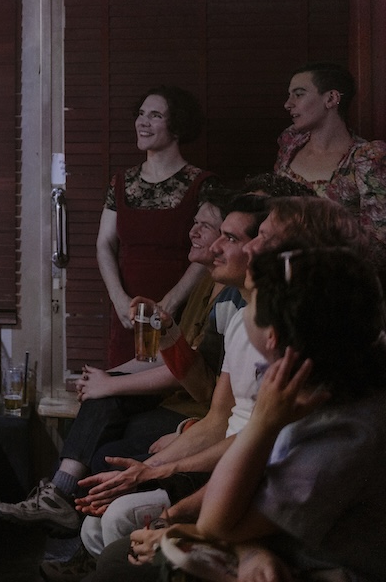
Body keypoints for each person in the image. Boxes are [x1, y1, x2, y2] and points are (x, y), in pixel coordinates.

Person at [0, 193, 237, 547]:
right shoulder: (204, 284)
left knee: (105, 454)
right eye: (194, 223)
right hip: (179, 398)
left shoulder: (232, 298)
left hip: (194, 408)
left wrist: (111, 385)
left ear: (228, 238)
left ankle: (72, 521)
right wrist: (107, 377)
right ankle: (60, 497)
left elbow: (189, 371)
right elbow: (172, 356)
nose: (193, 232)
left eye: (206, 226)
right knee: (102, 405)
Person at [62, 195, 269, 580]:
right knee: (97, 514)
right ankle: (62, 497)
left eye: (227, 237)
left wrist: (159, 469)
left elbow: (246, 431)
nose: (213, 245)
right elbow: (219, 416)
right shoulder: (238, 315)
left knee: (115, 509)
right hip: (214, 442)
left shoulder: (268, 325)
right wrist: (147, 469)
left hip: (227, 459)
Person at [192, 243, 386, 582]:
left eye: (252, 300)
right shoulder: (330, 381)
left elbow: (214, 523)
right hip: (274, 548)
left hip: (324, 570)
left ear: (272, 336)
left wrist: (262, 425)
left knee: (121, 564)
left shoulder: (345, 434)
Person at [97, 86, 218, 366]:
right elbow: (104, 243)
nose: (143, 122)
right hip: (129, 313)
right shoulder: (121, 182)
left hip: (180, 309)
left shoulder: (203, 183)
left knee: (174, 380)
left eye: (155, 116)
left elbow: (211, 248)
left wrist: (172, 301)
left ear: (177, 126)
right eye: (141, 114)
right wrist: (118, 299)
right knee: (118, 383)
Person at [274, 61, 386, 260]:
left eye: (298, 94)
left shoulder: (365, 159)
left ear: (331, 98)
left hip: (337, 270)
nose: (288, 104)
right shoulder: (290, 144)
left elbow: (378, 242)